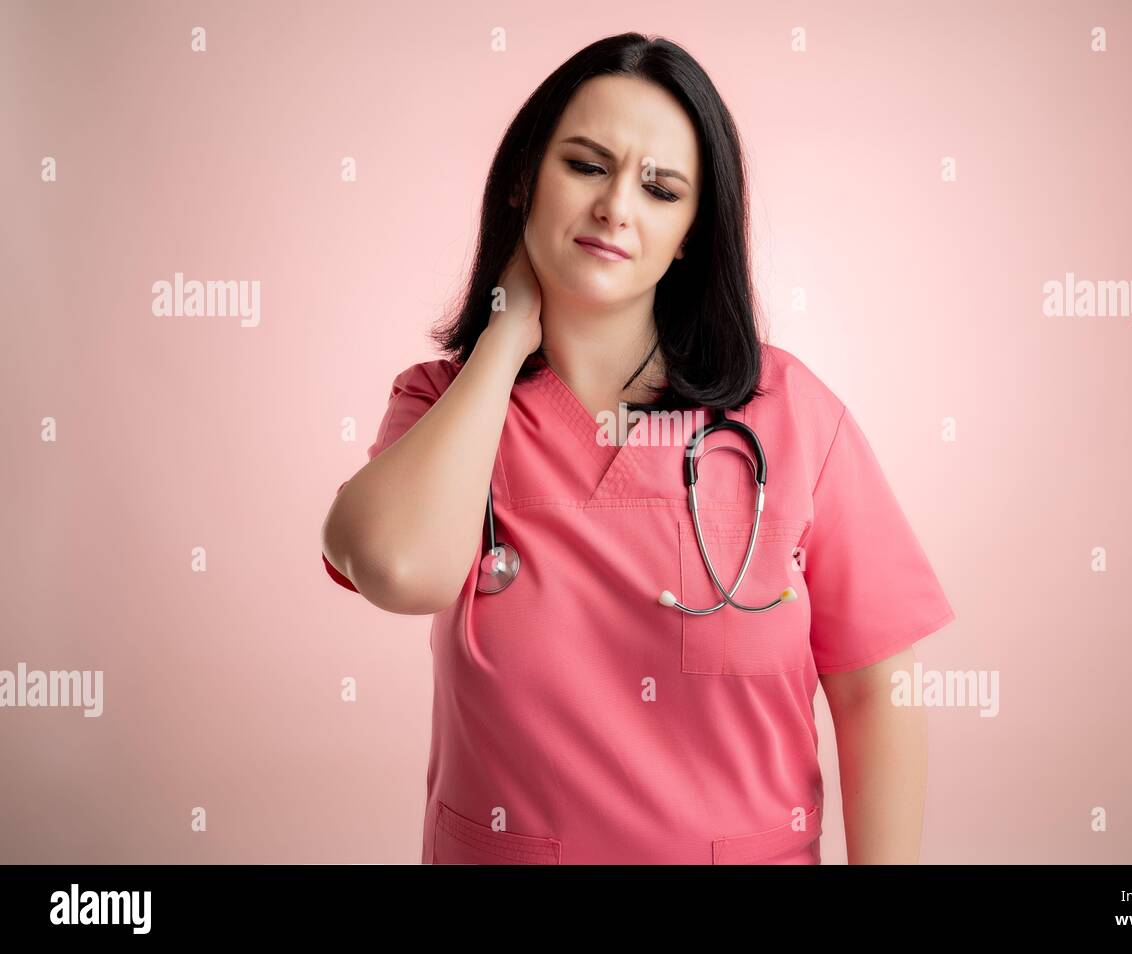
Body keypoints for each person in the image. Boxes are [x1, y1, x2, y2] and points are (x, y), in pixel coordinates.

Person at [320, 32, 955, 865]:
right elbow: (400, 568)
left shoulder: (790, 413)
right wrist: (506, 338)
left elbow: (878, 683)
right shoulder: (443, 406)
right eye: (586, 165)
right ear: (523, 181)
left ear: (692, 231)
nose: (618, 206)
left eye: (661, 189)